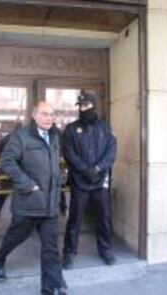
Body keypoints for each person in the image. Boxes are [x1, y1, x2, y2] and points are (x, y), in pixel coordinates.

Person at [0, 101, 67, 295]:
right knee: (15, 238)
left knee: (51, 248)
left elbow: (53, 163)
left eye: (52, 114)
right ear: (34, 116)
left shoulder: (54, 136)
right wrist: (27, 184)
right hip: (29, 203)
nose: (49, 118)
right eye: (44, 114)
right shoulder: (21, 137)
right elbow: (7, 162)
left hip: (49, 203)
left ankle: (52, 286)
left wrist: (59, 177)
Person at [62, 91, 117, 269]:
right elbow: (69, 153)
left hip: (100, 182)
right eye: (80, 106)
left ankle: (106, 250)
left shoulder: (105, 127)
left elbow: (111, 152)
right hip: (80, 182)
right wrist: (86, 170)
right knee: (74, 220)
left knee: (104, 218)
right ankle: (69, 253)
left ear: (93, 106)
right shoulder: (71, 129)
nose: (82, 109)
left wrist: (98, 169)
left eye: (85, 105)